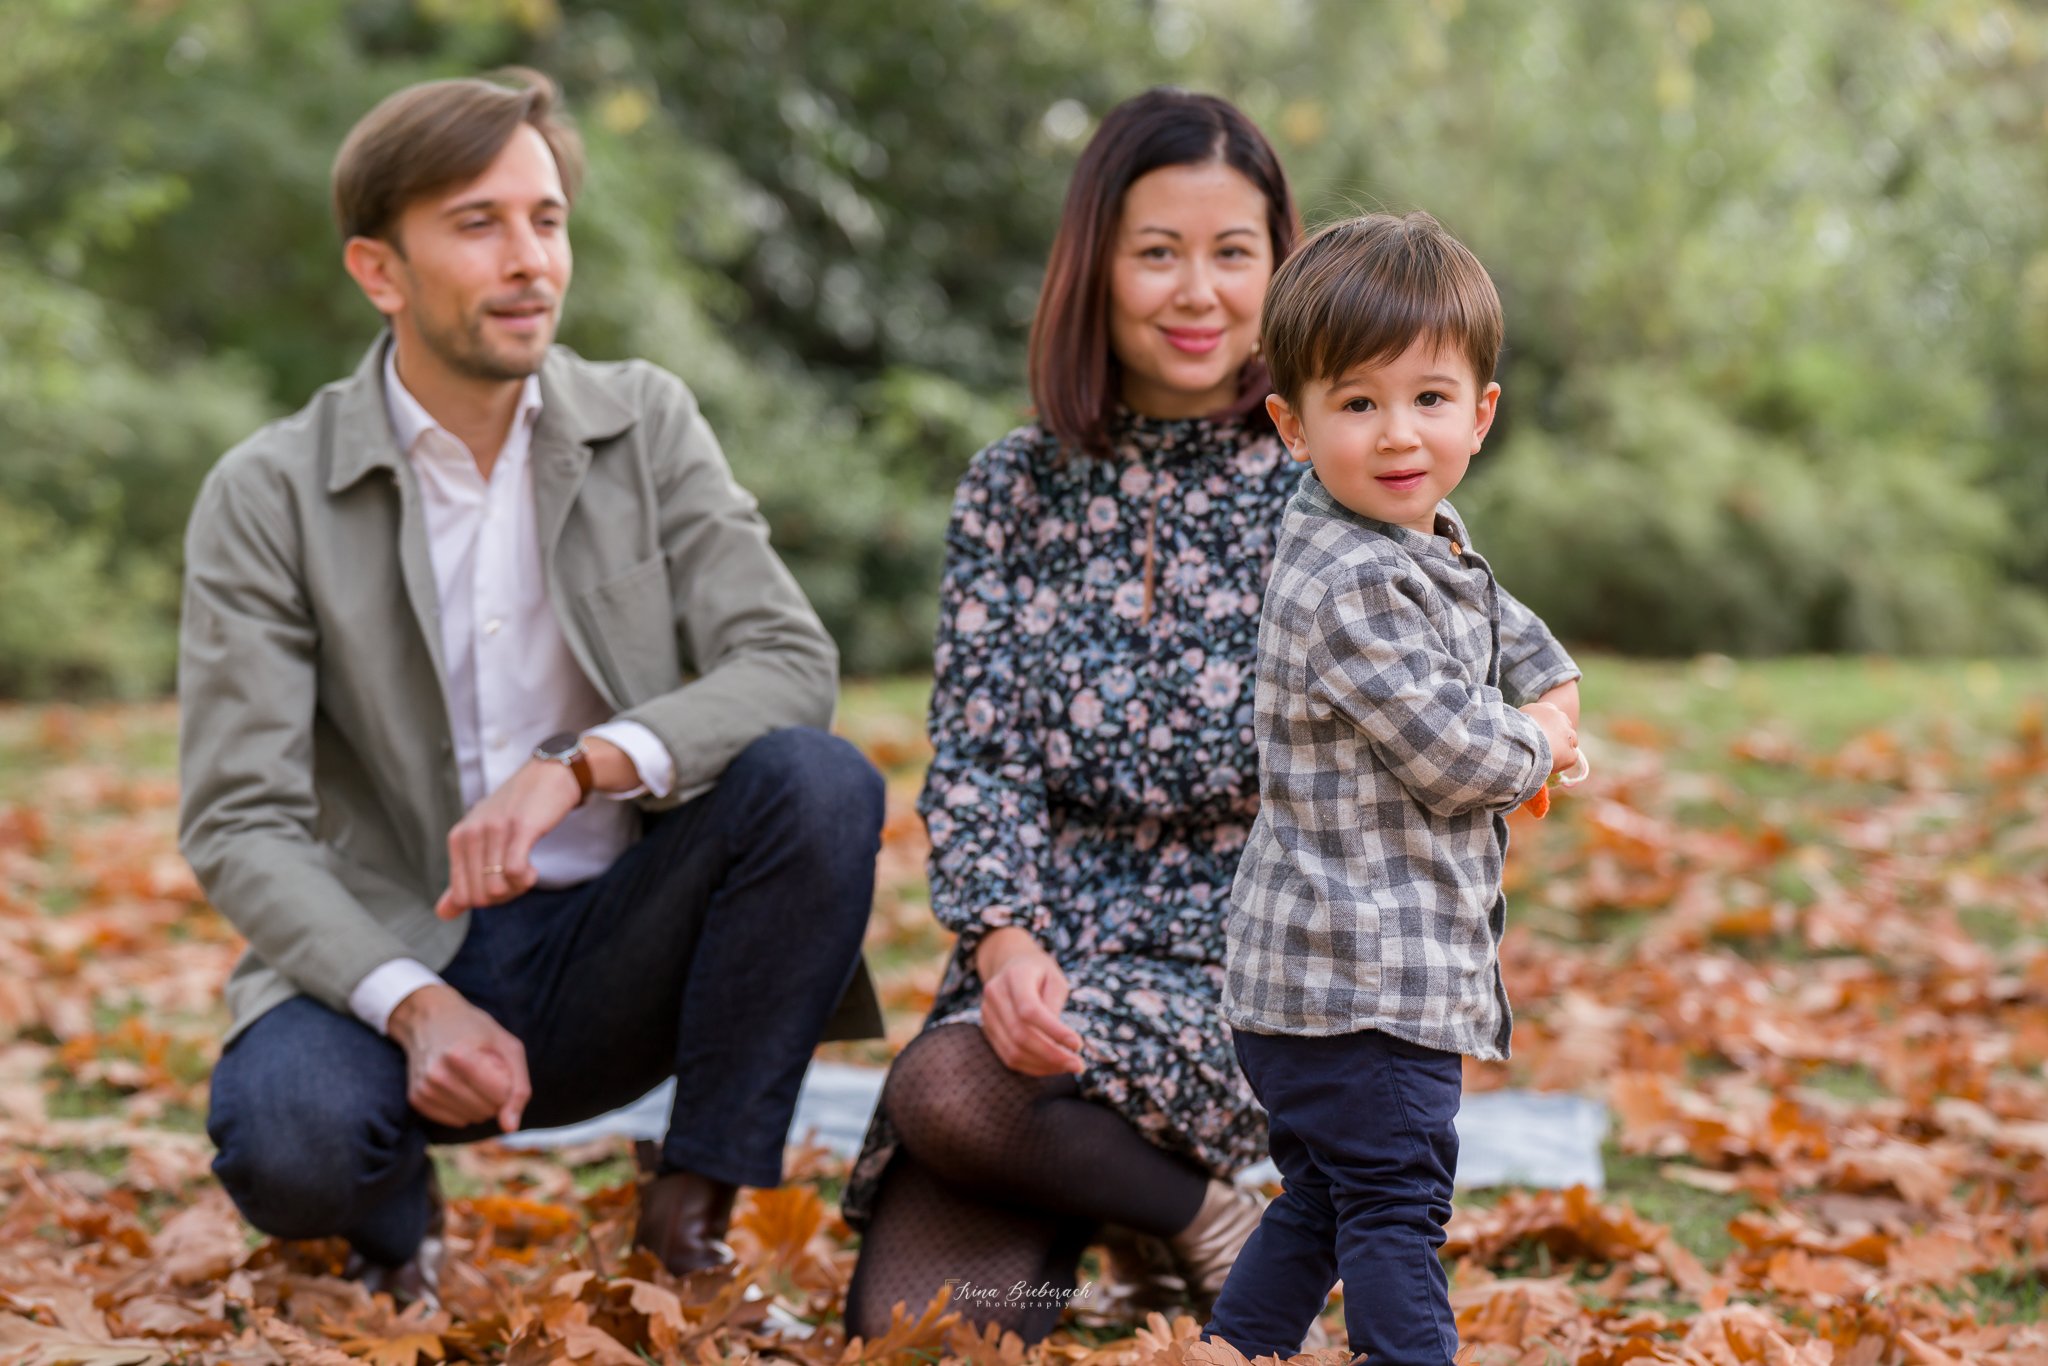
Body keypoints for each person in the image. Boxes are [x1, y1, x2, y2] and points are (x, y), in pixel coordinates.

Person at [179, 69, 886, 1304]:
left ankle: (691, 1212)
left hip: (626, 938)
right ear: (377, 270)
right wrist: (411, 1007)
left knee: (813, 783)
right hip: (394, 946)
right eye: (477, 223)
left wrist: (581, 764)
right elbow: (239, 818)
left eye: (545, 219)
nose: (529, 262)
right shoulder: (268, 492)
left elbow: (787, 664)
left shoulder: (646, 423)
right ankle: (397, 1232)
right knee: (284, 1136)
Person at [841, 88, 1303, 1341]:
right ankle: (1150, 1208)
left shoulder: (1327, 485)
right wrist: (1001, 941)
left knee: (946, 1088)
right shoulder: (1012, 488)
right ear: (1095, 266)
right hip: (1047, 957)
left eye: (1231, 254)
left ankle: (1204, 1213)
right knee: (924, 1330)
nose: (1195, 291)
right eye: (1157, 253)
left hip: (1247, 957)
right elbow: (979, 753)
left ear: (1278, 269)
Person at [1202, 212, 1585, 1364]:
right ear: (1291, 423)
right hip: (1357, 983)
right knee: (1395, 1209)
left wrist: (1553, 689)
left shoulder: (1416, 531)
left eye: (1426, 397)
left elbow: (1507, 627)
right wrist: (1540, 745)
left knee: (1324, 1200)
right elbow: (1452, 753)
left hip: (1335, 981)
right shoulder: (1350, 583)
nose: (1395, 432)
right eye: (1355, 403)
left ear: (1478, 411)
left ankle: (1233, 1350)